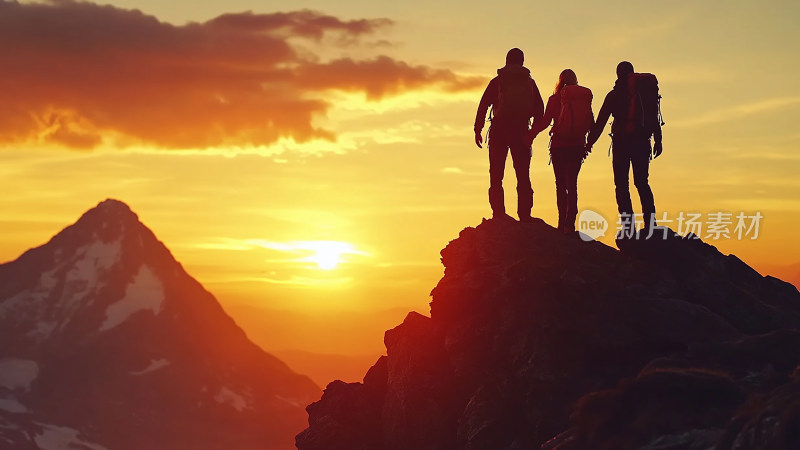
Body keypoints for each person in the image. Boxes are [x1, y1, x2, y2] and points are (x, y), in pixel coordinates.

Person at [585, 61, 662, 237]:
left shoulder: (614, 95)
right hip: (642, 142)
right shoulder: (644, 94)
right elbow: (653, 116)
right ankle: (651, 225)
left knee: (622, 185)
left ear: (618, 74)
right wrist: (658, 140)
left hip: (621, 144)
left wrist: (589, 143)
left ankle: (628, 228)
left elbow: (601, 122)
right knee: (642, 183)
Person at [474, 48, 544, 221]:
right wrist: (532, 133)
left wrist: (478, 129)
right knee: (523, 175)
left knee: (496, 175)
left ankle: (498, 214)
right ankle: (525, 215)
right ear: (522, 61)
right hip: (521, 131)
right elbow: (540, 110)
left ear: (506, 61)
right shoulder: (530, 83)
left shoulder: (497, 81)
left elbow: (483, 106)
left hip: (499, 131)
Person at [530, 69, 594, 235]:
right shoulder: (583, 99)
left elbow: (545, 122)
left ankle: (561, 223)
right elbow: (591, 122)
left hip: (559, 148)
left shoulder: (554, 99)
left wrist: (530, 135)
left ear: (560, 82)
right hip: (577, 147)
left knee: (560, 185)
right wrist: (589, 143)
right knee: (572, 184)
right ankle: (569, 224)